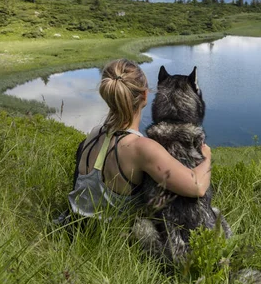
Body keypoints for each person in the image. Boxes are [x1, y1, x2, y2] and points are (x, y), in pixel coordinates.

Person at [66, 58, 212, 220]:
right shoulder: (141, 148)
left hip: (73, 222)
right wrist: (206, 156)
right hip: (111, 236)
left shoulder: (95, 133)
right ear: (144, 95)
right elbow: (197, 186)